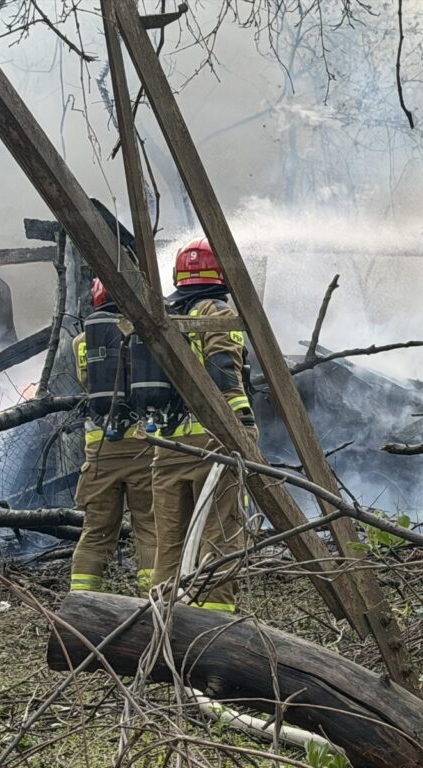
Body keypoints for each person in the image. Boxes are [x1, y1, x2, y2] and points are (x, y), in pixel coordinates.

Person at [139, 237, 256, 612]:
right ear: (220, 273)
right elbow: (224, 377)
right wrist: (244, 427)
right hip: (215, 443)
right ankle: (213, 624)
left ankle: (161, 620)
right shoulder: (218, 313)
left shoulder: (160, 316)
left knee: (170, 541)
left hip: (168, 445)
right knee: (220, 533)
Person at [70, 278, 157, 595]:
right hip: (143, 445)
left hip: (99, 448)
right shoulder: (144, 332)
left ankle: (80, 599)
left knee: (95, 531)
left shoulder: (81, 341)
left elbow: (86, 385)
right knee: (150, 528)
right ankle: (153, 600)